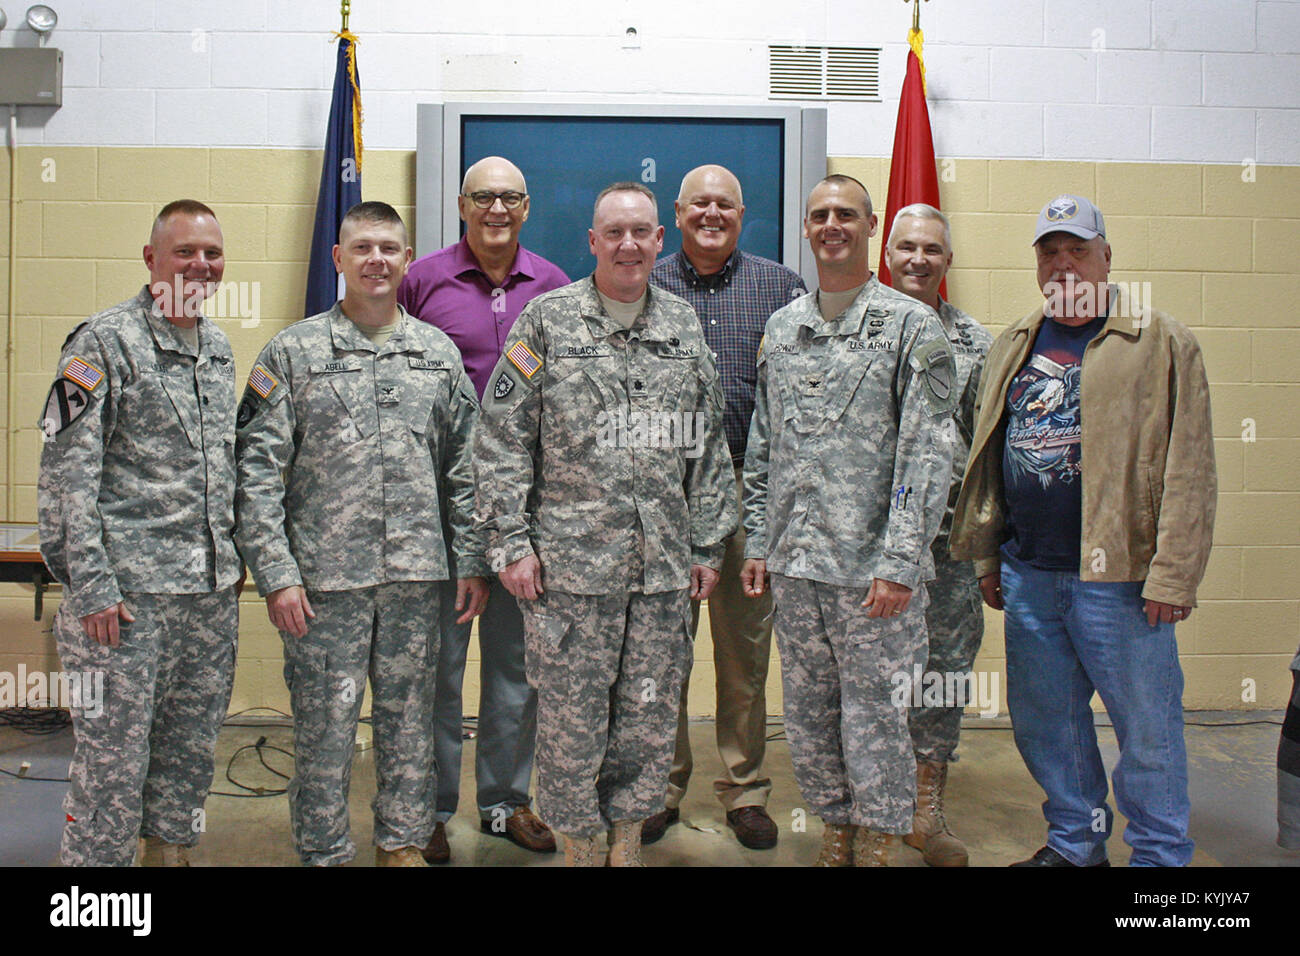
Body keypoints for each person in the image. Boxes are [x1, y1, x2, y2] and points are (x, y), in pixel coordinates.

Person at [473, 182, 735, 866]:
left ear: (659, 241)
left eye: (640, 232)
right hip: (569, 579)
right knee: (571, 729)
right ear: (592, 242)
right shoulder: (546, 322)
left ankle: (626, 845)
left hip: (661, 577)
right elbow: (499, 440)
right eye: (613, 233)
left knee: (647, 724)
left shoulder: (681, 327)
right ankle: (581, 851)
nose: (627, 245)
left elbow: (706, 446)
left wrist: (708, 543)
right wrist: (509, 546)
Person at [950, 194, 1216, 867]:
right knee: (1051, 727)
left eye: (1076, 249)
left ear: (1106, 256)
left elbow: (1191, 467)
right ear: (1037, 262)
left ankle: (1158, 857)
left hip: (1121, 581)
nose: (1062, 262)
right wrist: (988, 555)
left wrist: (1174, 573)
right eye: (1049, 250)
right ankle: (1076, 846)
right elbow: (989, 455)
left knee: (1147, 731)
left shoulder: (1159, 341)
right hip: (1029, 574)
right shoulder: (1015, 340)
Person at [235, 201, 488, 867]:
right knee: (326, 728)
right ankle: (323, 851)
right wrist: (278, 576)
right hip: (324, 587)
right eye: (363, 247)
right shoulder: (294, 353)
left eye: (389, 247)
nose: (377, 258)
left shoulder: (435, 354)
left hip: (415, 579)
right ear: (338, 258)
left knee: (411, 724)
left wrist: (471, 561)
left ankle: (400, 844)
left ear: (406, 260)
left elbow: (464, 468)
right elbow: (256, 475)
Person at [742, 175, 957, 867]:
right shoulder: (784, 327)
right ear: (806, 229)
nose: (831, 224)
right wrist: (756, 540)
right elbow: (762, 445)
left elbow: (926, 454)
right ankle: (835, 825)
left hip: (872, 573)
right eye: (819, 215)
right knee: (807, 714)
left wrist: (899, 562)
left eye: (845, 215)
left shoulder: (910, 325)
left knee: (877, 716)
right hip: (798, 565)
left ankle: (879, 838)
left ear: (871, 226)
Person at [38, 200, 240, 867]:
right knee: (112, 767)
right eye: (185, 252)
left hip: (205, 599)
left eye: (211, 253)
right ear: (152, 259)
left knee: (188, 753)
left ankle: (169, 858)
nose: (200, 265)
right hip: (124, 604)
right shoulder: (100, 343)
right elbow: (65, 472)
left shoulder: (216, 348)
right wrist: (91, 586)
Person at [397, 156, 568, 860]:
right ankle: (431, 809)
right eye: (482, 197)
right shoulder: (422, 280)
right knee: (437, 667)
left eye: (509, 198)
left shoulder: (555, 287)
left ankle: (503, 804)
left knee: (515, 669)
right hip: (440, 509)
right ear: (462, 204)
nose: (496, 208)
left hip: (526, 513)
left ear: (525, 207)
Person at [644, 164, 806, 849]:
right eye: (699, 205)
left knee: (745, 650)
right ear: (677, 214)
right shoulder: (640, 282)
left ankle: (744, 790)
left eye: (725, 206)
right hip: (662, 494)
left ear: (742, 214)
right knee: (660, 652)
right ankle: (659, 787)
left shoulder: (782, 287)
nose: (712, 214)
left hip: (749, 486)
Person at [884, 203, 993, 866]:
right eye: (907, 247)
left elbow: (986, 449)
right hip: (864, 549)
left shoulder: (977, 342)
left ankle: (927, 807)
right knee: (869, 676)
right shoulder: (851, 329)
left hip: (946, 547)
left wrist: (986, 551)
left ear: (947, 262)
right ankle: (870, 808)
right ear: (886, 255)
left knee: (943, 676)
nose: (919, 259)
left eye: (932, 249)